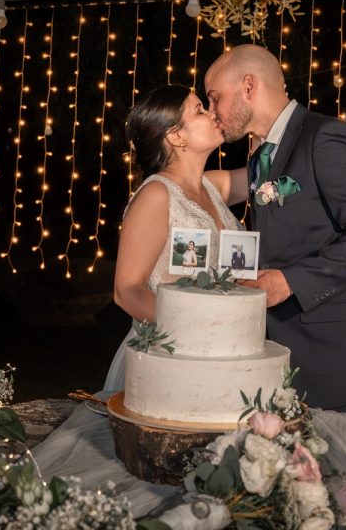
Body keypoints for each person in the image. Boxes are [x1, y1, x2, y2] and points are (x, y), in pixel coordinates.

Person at [204, 44, 346, 412]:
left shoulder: (325, 137)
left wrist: (290, 281)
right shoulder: (262, 153)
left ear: (249, 86)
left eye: (215, 98)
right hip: (290, 352)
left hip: (344, 358)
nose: (212, 110)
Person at [102, 84, 247, 393]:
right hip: (170, 352)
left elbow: (267, 175)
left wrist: (253, 118)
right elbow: (126, 291)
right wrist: (192, 327)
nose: (212, 113)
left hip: (223, 347)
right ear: (175, 135)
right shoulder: (156, 194)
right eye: (200, 110)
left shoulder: (212, 187)